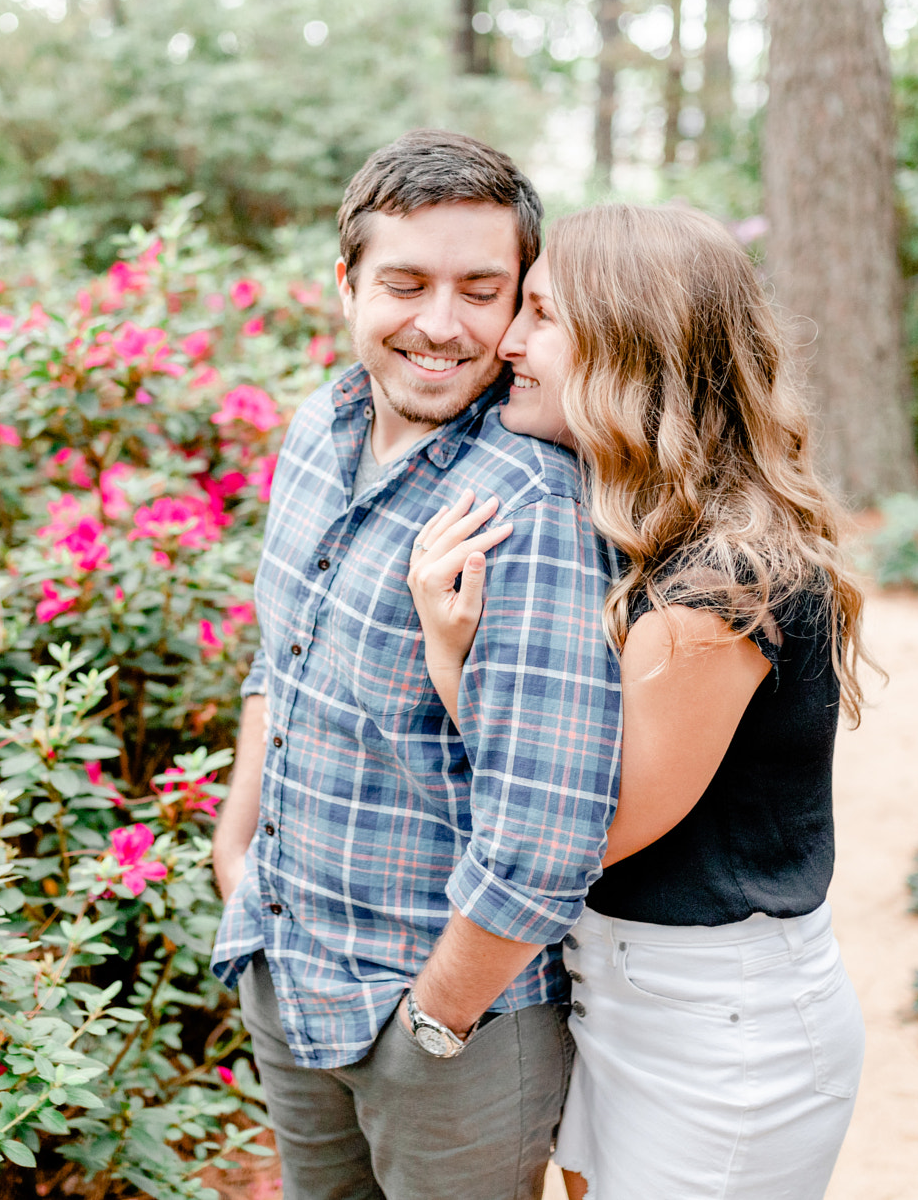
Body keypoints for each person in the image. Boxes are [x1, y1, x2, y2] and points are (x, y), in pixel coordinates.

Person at [407, 202, 871, 1200]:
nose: (510, 344)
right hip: (619, 990)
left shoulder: (721, 583)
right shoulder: (636, 531)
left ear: (629, 348)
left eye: (539, 315)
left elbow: (588, 826)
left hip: (717, 1032)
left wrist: (450, 659)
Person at [209, 130, 623, 1200]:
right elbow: (279, 662)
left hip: (448, 1026)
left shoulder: (528, 503)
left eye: (480, 290)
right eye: (405, 283)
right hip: (287, 966)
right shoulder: (318, 425)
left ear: (520, 301)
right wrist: (237, 854)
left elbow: (546, 827)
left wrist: (435, 1019)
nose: (440, 325)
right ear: (345, 282)